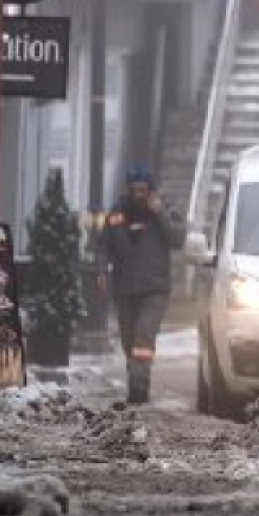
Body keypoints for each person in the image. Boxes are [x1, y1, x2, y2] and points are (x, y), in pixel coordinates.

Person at [100, 165, 186, 404]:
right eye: (134, 190)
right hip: (125, 289)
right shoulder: (117, 213)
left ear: (150, 190)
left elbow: (178, 238)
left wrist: (159, 214)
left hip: (154, 290)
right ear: (129, 190)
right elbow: (104, 244)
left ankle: (139, 389)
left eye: (143, 190)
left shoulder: (165, 210)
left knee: (143, 339)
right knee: (129, 341)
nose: (139, 194)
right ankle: (136, 377)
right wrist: (101, 270)